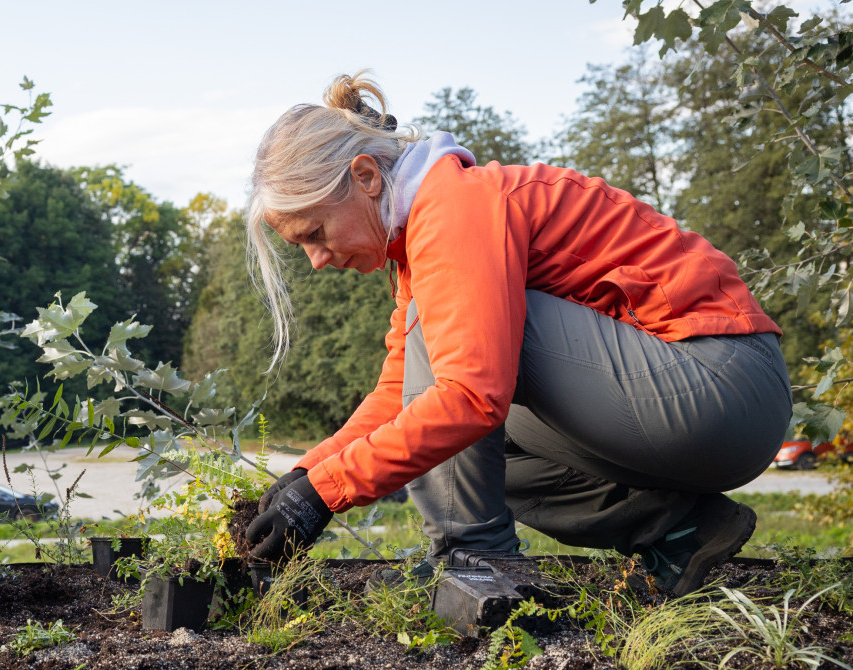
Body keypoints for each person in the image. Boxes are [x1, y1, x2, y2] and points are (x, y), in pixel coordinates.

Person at [241, 72, 790, 596]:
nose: (315, 260)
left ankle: (474, 561)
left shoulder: (453, 207)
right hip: (701, 404)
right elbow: (398, 394)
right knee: (452, 420)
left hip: (721, 379)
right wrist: (308, 474)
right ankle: (679, 530)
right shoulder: (421, 240)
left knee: (454, 378)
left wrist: (328, 493)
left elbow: (467, 395)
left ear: (365, 176)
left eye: (315, 233)